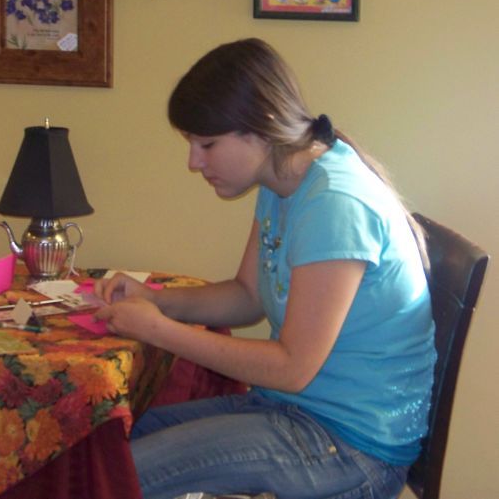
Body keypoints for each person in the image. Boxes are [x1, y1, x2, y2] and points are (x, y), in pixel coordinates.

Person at [93, 38, 436, 499]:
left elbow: (291, 368)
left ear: (262, 128)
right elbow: (247, 295)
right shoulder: (283, 182)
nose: (194, 162)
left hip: (353, 449)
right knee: (108, 445)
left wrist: (158, 329)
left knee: (118, 477)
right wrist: (155, 299)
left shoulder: (335, 203)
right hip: (297, 414)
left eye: (206, 144)